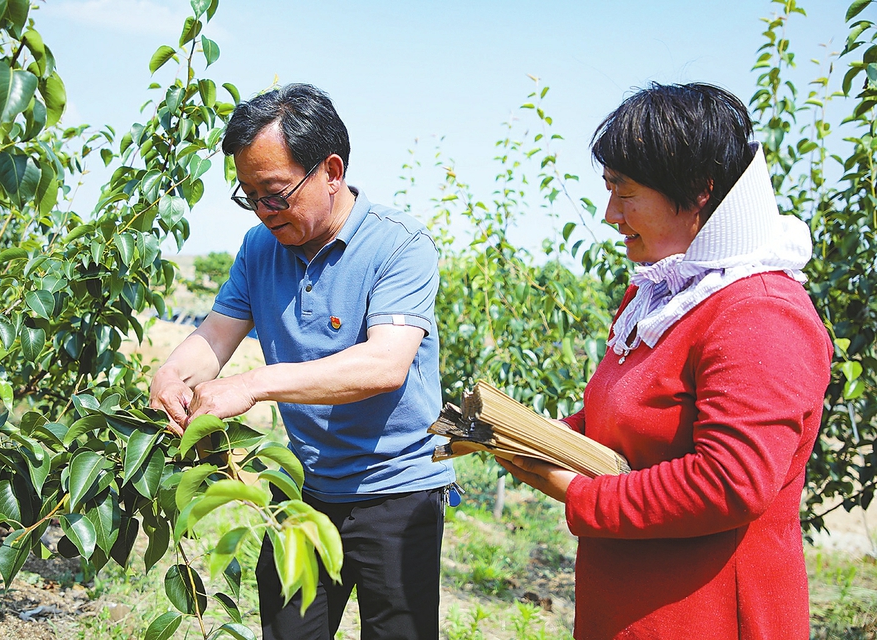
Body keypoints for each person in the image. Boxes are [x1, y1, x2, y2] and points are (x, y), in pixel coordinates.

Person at [498, 83, 833, 639]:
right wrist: (527, 438)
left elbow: (730, 482)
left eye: (624, 193)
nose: (609, 214)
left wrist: (578, 492)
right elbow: (620, 423)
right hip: (629, 603)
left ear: (699, 191)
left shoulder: (760, 313)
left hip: (707, 616)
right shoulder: (660, 300)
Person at [149, 83, 454, 640]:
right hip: (306, 490)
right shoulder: (259, 249)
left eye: (275, 194)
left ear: (331, 170)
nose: (264, 213)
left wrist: (258, 384)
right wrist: (173, 373)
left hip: (398, 490)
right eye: (249, 197)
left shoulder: (400, 245)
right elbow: (214, 336)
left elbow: (384, 364)